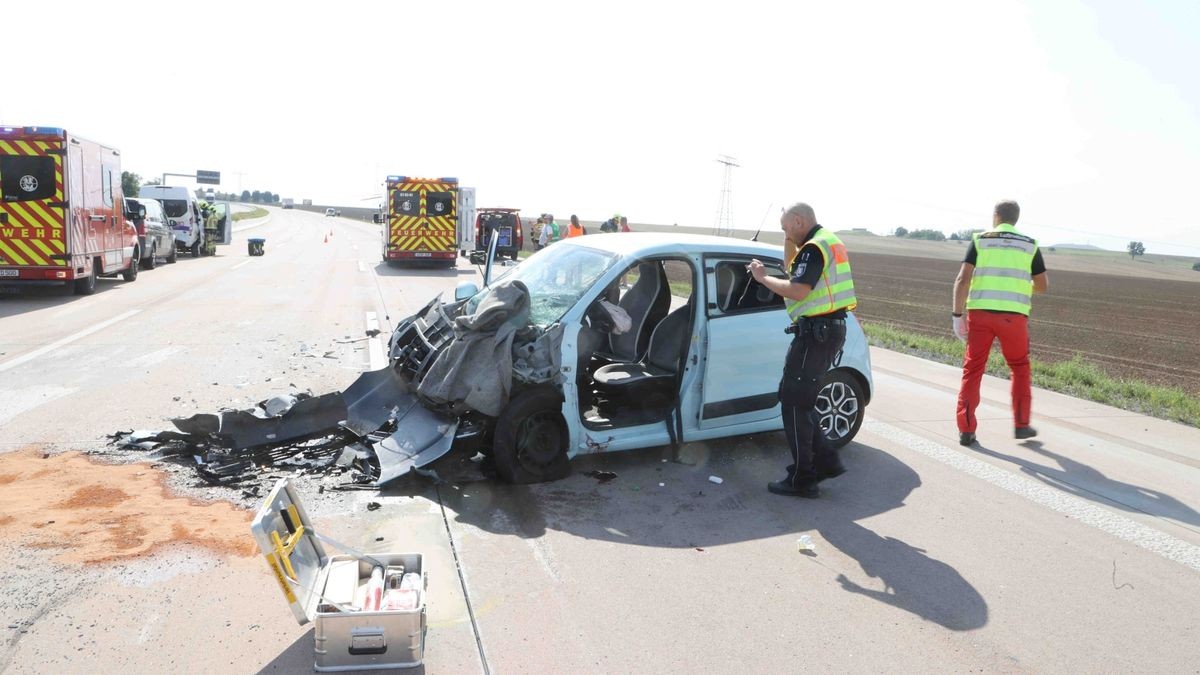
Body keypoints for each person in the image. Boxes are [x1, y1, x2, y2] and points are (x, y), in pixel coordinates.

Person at [748, 202, 856, 498]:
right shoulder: (824, 242)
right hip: (825, 332)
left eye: (786, 227)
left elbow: (797, 289)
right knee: (798, 400)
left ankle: (804, 478)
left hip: (817, 334)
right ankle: (825, 463)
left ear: (798, 221)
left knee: (794, 403)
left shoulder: (814, 248)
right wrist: (787, 238)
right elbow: (793, 270)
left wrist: (761, 278)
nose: (786, 233)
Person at [952, 200, 1049, 446]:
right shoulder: (1029, 245)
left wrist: (956, 315)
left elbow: (963, 279)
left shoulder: (980, 240)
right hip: (1013, 317)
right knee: (1019, 367)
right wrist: (1019, 284)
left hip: (980, 315)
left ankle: (966, 429)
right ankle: (1021, 425)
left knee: (973, 369)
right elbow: (1042, 286)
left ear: (996, 216)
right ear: (1016, 218)